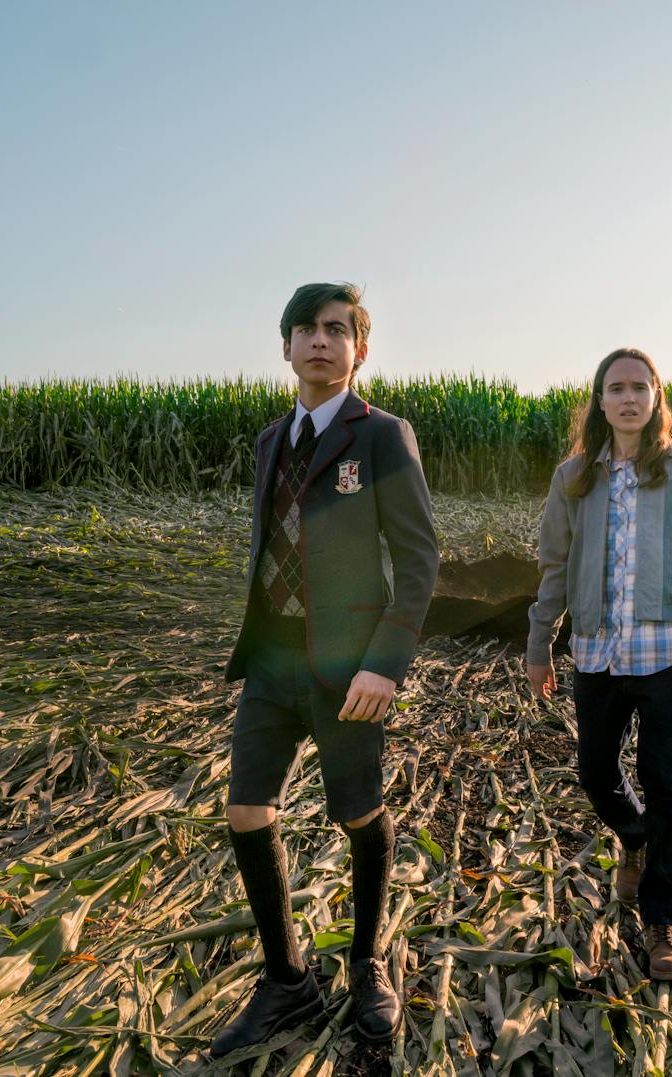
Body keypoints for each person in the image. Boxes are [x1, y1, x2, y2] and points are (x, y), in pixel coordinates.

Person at [211, 282, 439, 1058]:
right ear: (285, 347)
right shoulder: (269, 440)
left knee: (357, 815)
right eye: (306, 329)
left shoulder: (381, 436)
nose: (320, 341)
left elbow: (419, 560)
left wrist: (386, 665)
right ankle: (286, 977)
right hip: (272, 661)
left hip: (348, 670)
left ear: (359, 350)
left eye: (337, 329)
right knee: (247, 810)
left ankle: (368, 961)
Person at [525, 347, 672, 981]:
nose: (627, 398)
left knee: (666, 782)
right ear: (598, 400)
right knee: (595, 772)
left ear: (655, 398)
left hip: (664, 652)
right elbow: (554, 568)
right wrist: (541, 643)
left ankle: (661, 921)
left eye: (639, 388)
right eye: (615, 388)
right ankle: (633, 836)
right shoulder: (574, 477)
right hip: (595, 652)